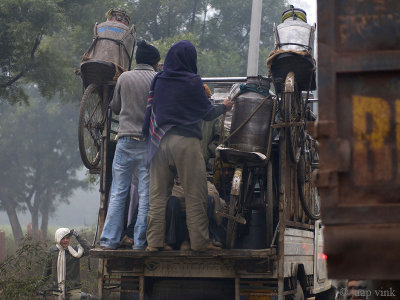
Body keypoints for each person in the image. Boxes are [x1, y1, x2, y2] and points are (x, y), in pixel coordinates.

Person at [142, 40, 233, 251]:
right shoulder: (192, 81)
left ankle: (154, 243)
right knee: (196, 194)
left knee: (157, 196)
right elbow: (208, 113)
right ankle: (200, 243)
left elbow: (151, 109)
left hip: (159, 141)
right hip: (185, 143)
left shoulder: (159, 79)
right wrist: (225, 107)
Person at [99, 40, 161, 250]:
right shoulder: (157, 79)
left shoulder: (124, 78)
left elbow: (115, 108)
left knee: (118, 191)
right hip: (147, 143)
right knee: (146, 194)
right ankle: (140, 242)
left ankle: (108, 240)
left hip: (124, 141)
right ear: (155, 62)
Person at [43, 228, 91, 300]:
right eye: (63, 238)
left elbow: (89, 249)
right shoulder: (53, 251)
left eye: (67, 238)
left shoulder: (75, 251)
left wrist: (78, 236)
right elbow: (47, 269)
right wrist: (42, 284)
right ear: (58, 239)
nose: (66, 240)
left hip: (73, 288)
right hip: (56, 289)